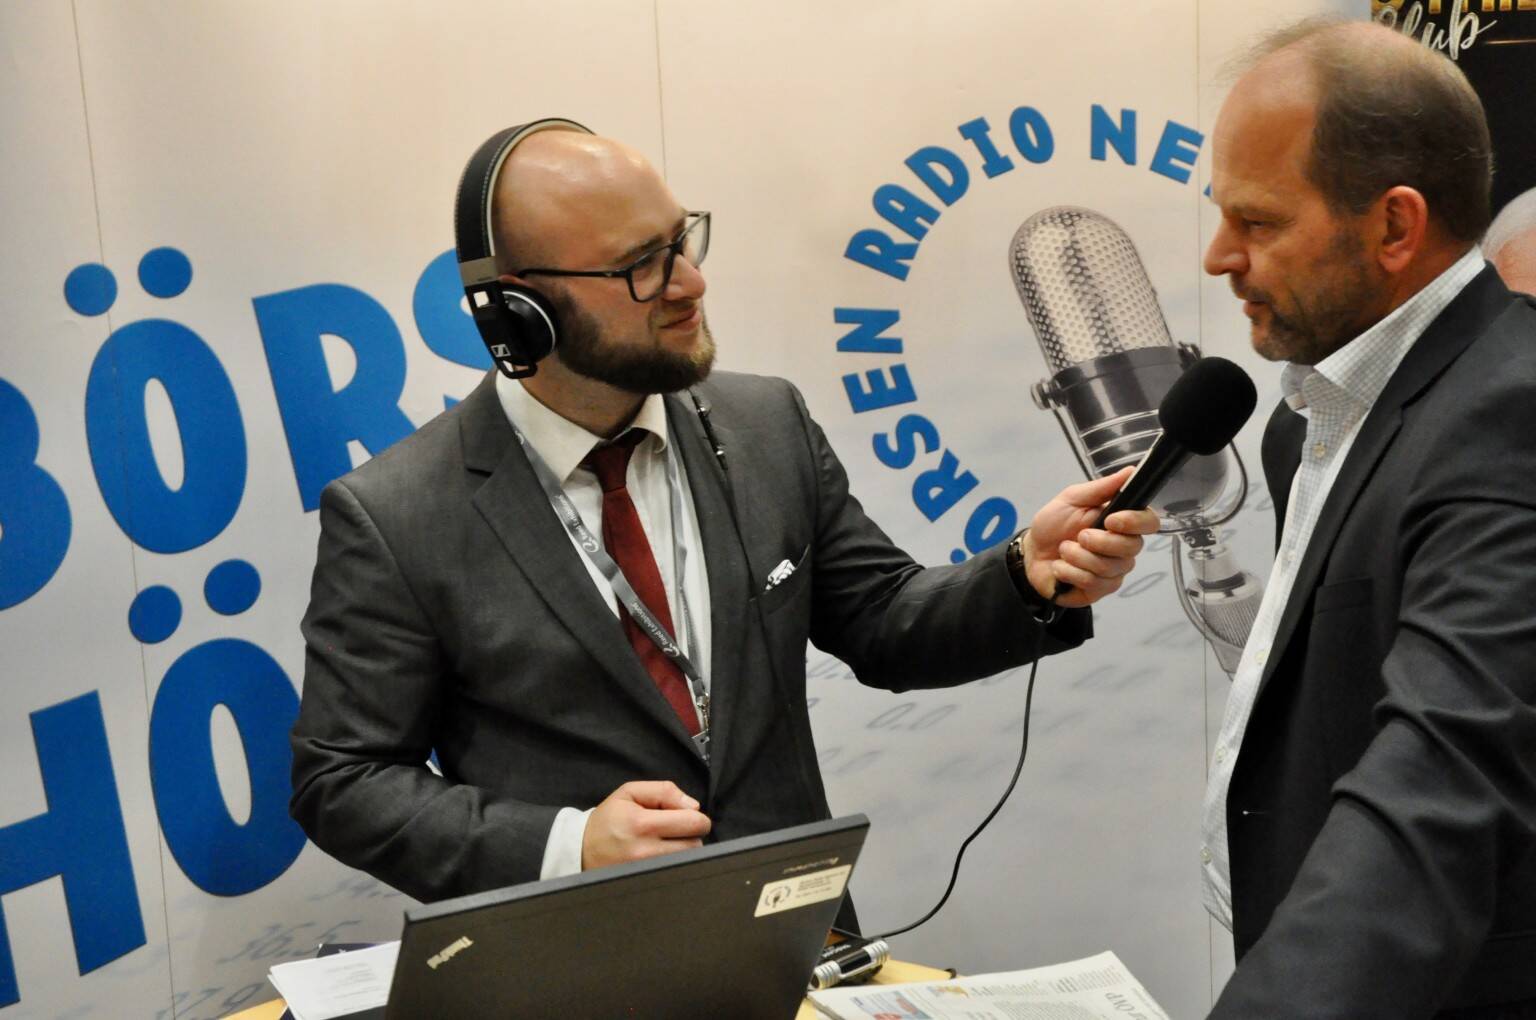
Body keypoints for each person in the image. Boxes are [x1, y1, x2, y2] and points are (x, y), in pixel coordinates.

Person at [288, 127, 1159, 920]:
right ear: (522, 309)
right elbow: (342, 780)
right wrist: (567, 846)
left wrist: (1022, 574)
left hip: (799, 946)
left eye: (682, 241)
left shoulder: (766, 424)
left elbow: (882, 619)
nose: (690, 283)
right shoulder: (397, 514)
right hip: (576, 972)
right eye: (641, 265)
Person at [1201, 18, 1536, 1019]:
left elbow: (1443, 773)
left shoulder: (1511, 415)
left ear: (1395, 227)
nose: (1219, 256)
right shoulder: (1304, 422)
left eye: (1258, 223)